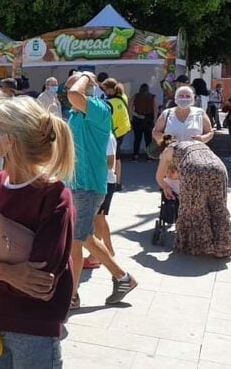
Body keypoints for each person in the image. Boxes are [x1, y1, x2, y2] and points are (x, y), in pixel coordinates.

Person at [0, 95, 74, 368]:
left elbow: (40, 283)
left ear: (9, 141)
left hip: (35, 325)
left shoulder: (55, 195)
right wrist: (4, 270)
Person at [65, 71, 137, 309]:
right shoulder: (76, 113)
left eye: (75, 81)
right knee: (80, 239)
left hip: (88, 186)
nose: (70, 85)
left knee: (79, 238)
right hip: (76, 184)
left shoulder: (99, 108)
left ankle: (118, 278)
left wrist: (86, 74)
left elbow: (75, 93)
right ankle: (77, 293)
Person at [156, 139, 231, 257]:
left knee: (193, 208)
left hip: (194, 169)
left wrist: (166, 187)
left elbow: (159, 176)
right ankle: (222, 247)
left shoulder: (168, 151)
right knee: (218, 207)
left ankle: (195, 246)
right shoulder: (195, 143)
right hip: (218, 167)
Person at [84, 133, 118, 270]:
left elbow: (110, 162)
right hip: (100, 182)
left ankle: (95, 257)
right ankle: (108, 250)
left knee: (97, 219)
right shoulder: (100, 134)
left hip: (104, 182)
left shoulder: (106, 136)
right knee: (100, 218)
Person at [102, 78, 131, 189]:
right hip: (123, 129)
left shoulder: (110, 103)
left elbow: (107, 119)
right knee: (117, 157)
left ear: (110, 90)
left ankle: (112, 182)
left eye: (105, 90)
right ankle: (118, 182)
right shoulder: (122, 97)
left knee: (113, 157)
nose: (105, 92)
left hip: (115, 132)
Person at [129, 84, 157, 161]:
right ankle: (149, 156)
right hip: (149, 119)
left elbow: (130, 108)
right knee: (148, 139)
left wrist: (137, 115)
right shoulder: (152, 97)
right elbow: (155, 110)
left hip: (138, 120)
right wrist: (155, 121)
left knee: (137, 139)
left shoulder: (135, 96)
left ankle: (135, 155)